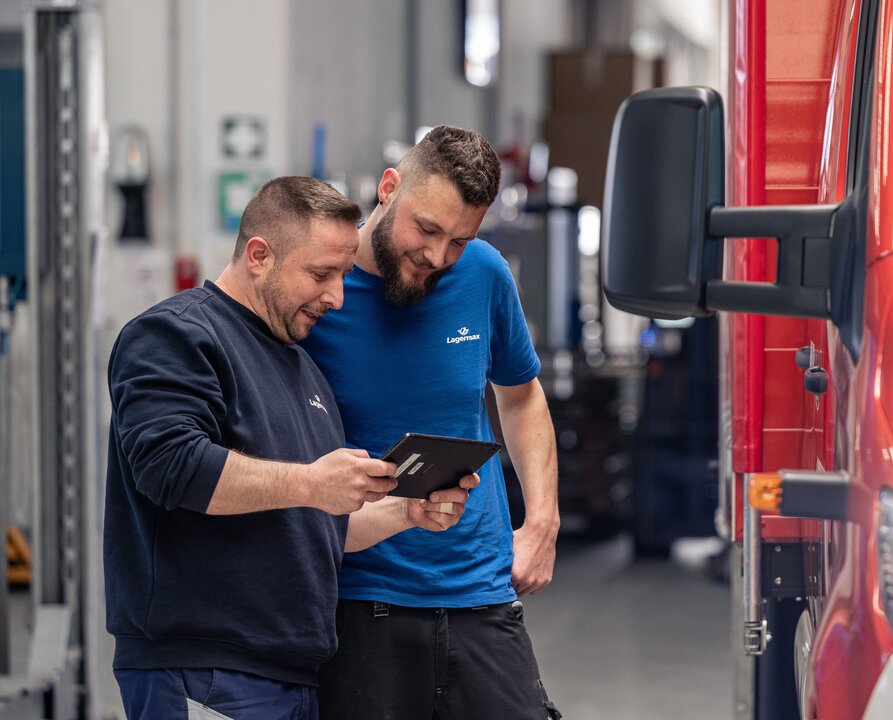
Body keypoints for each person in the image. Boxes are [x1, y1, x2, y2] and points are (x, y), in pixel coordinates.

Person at [103, 176, 478, 720]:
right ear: (259, 255)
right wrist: (310, 482)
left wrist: (406, 511)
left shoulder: (305, 372)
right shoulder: (177, 335)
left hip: (293, 674)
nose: (336, 297)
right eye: (320, 274)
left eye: (344, 276)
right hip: (204, 669)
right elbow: (170, 467)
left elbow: (315, 523)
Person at [301, 126, 562, 719]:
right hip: (360, 600)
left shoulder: (485, 275)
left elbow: (521, 396)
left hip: (480, 592)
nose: (438, 256)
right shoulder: (320, 291)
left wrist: (542, 521)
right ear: (389, 189)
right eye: (427, 229)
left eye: (459, 240)